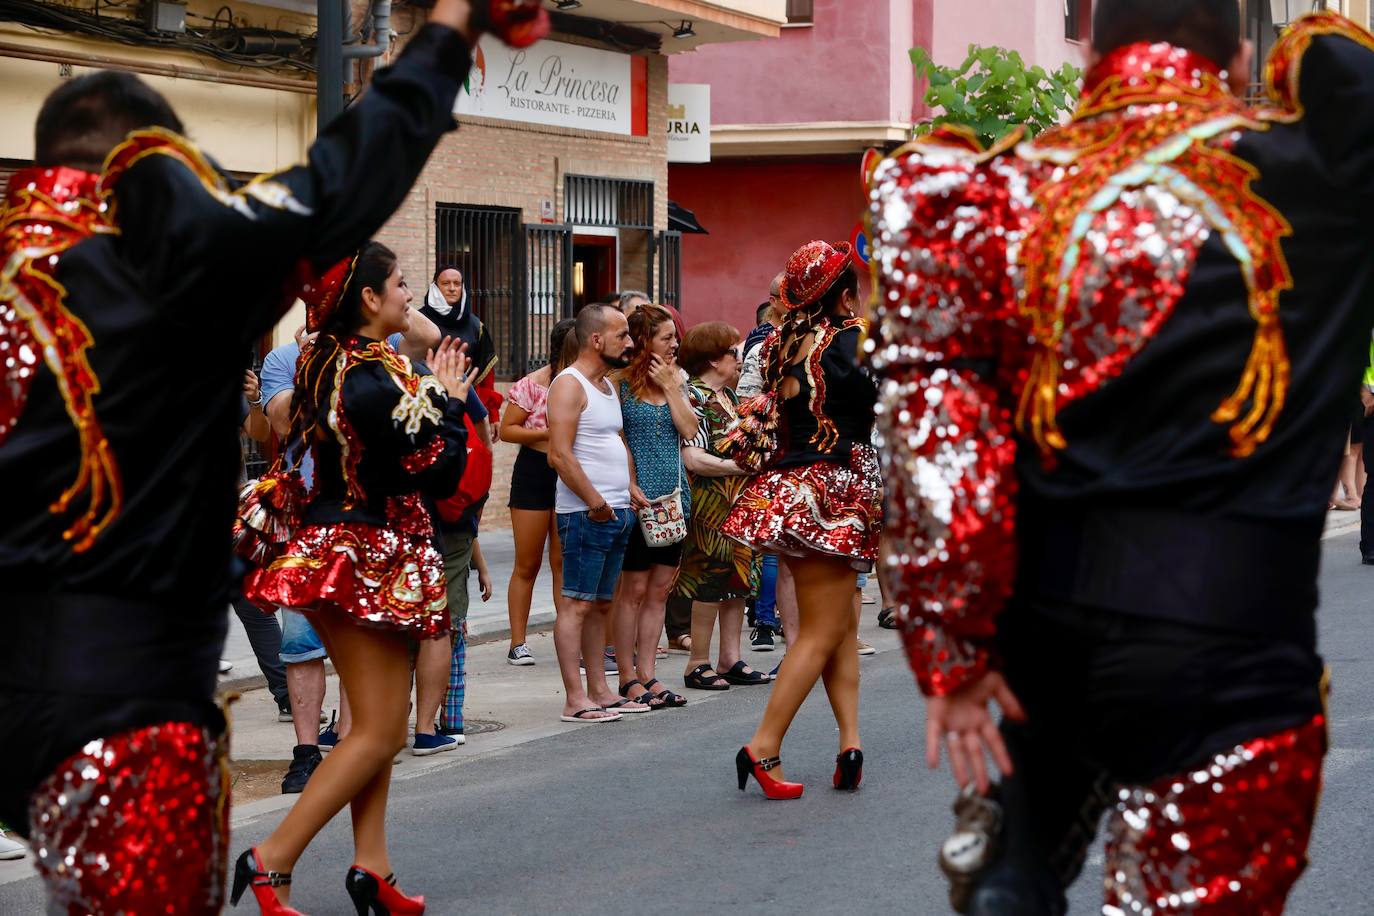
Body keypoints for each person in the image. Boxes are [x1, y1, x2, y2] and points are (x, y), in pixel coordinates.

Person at [0, 0, 536, 908]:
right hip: (125, 696)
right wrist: (451, 26)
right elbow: (345, 177)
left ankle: (364, 857)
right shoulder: (176, 265)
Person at [868, 3, 1364, 911]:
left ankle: (1008, 864)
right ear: (1242, 51)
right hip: (1233, 644)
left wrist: (955, 650)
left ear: (1091, 44)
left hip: (1039, 633)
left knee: (1012, 874)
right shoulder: (1324, 172)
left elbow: (937, 432)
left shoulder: (996, 187)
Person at [241, 241, 476, 913]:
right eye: (401, 284)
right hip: (357, 550)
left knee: (379, 723)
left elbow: (411, 436)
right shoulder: (364, 376)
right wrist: (452, 404)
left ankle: (373, 868)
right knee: (377, 731)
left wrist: (437, 393)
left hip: (363, 545)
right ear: (370, 300)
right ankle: (272, 858)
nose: (411, 294)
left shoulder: (368, 362)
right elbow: (437, 472)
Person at [721, 241, 881, 799]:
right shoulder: (854, 341)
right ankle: (762, 745)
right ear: (844, 293)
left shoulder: (777, 344)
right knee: (822, 629)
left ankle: (850, 742)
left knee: (837, 625)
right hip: (835, 485)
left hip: (788, 488)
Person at [547, 304, 649, 722]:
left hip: (616, 510)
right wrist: (595, 502)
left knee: (601, 605)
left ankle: (600, 691)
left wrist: (629, 486)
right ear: (596, 340)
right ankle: (575, 699)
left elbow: (617, 442)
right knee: (576, 605)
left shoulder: (607, 386)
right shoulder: (568, 385)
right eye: (622, 334)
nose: (629, 342)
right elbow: (559, 455)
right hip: (586, 515)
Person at [674, 322, 770, 692]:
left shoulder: (730, 399)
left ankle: (731, 658)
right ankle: (698, 660)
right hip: (711, 503)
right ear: (714, 360)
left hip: (740, 502)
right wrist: (739, 467)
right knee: (709, 579)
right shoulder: (694, 397)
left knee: (739, 581)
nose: (739, 359)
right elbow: (693, 458)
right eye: (733, 352)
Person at [611, 305, 697, 709]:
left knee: (660, 591)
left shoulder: (676, 381)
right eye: (666, 337)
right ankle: (627, 676)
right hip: (636, 499)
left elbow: (689, 430)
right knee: (633, 590)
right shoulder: (619, 385)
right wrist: (627, 482)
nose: (674, 343)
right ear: (644, 341)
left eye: (674, 337)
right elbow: (618, 439)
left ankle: (648, 673)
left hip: (675, 499)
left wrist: (671, 387)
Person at [500, 317, 577, 665]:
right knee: (527, 563)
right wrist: (547, 435)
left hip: (569, 472)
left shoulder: (585, 385)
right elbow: (508, 431)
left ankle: (568, 638)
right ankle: (518, 642)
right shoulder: (533, 385)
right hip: (534, 471)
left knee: (563, 562)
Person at [419, 265, 503, 428]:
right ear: (435, 286)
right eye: (446, 283)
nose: (452, 289)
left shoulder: (475, 326)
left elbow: (485, 376)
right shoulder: (418, 321)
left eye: (457, 284)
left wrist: (493, 415)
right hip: (425, 405)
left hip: (464, 409)